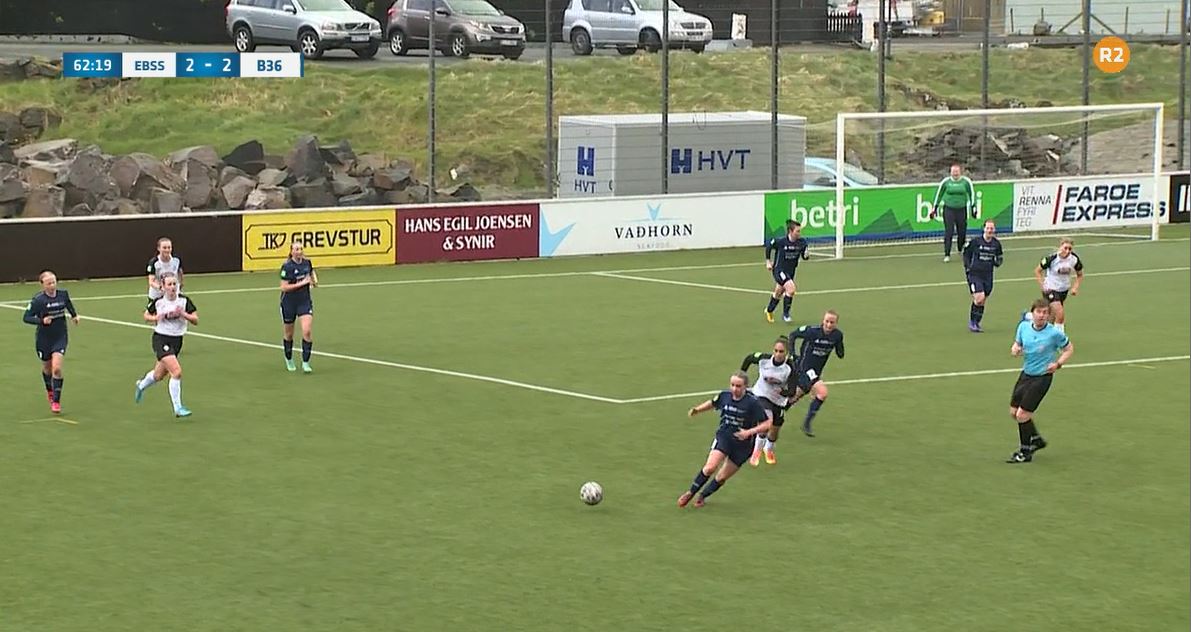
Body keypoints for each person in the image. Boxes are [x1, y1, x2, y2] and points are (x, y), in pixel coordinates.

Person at [678, 371, 773, 508]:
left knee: (722, 477)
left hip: (743, 446)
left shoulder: (752, 403)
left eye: (738, 386)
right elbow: (713, 403)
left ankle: (702, 496)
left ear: (746, 387)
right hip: (724, 437)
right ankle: (691, 492)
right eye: (732, 385)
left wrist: (749, 432)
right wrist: (697, 410)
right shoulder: (725, 396)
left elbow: (767, 424)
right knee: (710, 468)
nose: (734, 389)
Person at [1006, 298, 1074, 463]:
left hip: (1042, 378)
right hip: (1026, 375)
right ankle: (1036, 440)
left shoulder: (1054, 333)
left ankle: (1025, 452)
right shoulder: (1023, 327)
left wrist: (1058, 364)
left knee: (1022, 415)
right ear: (1033, 313)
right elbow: (1017, 345)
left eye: (1045, 313)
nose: (1041, 316)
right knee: (1014, 412)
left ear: (1048, 316)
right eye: (1038, 312)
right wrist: (1015, 349)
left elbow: (1069, 349)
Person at [134, 273, 198, 418]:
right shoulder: (158, 302)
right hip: (161, 339)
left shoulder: (184, 301)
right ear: (163, 287)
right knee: (176, 372)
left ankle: (141, 385)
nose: (172, 287)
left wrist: (183, 314)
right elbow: (146, 316)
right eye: (169, 284)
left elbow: (195, 319)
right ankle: (178, 408)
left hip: (177, 340)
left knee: (158, 375)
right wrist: (156, 317)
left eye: (174, 284)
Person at [21, 270, 79, 414]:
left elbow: (68, 304)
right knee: (47, 368)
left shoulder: (63, 294)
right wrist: (42, 321)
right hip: (44, 338)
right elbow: (26, 317)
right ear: (42, 285)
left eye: (54, 282)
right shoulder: (38, 300)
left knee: (57, 368)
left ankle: (56, 402)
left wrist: (74, 316)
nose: (52, 285)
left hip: (60, 336)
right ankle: (50, 391)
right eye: (49, 283)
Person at [787, 310, 846, 437]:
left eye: (832, 322)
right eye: (827, 321)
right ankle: (807, 423)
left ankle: (770, 416)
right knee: (822, 392)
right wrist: (792, 354)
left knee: (793, 398)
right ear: (822, 321)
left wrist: (840, 349)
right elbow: (793, 335)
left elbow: (840, 352)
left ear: (836, 323)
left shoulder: (837, 335)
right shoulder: (812, 331)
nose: (829, 325)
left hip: (816, 371)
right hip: (804, 368)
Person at [739, 337, 793, 466]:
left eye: (781, 351)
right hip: (761, 394)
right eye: (776, 350)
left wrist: (783, 392)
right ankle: (756, 451)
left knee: (774, 431)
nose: (778, 354)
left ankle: (768, 449)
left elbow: (792, 390)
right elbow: (749, 358)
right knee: (766, 423)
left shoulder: (790, 367)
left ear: (786, 353)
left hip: (778, 401)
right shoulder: (764, 359)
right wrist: (742, 377)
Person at [279, 241, 318, 373]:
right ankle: (289, 358)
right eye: (296, 249)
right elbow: (284, 287)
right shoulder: (287, 266)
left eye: (301, 249)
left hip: (304, 302)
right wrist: (302, 283)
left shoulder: (307, 263)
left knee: (307, 331)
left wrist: (314, 281)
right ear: (291, 252)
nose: (299, 251)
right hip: (289, 303)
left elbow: (311, 272)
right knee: (289, 334)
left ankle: (306, 362)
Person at [1033, 237, 1083, 333]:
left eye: (1070, 249)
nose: (1067, 251)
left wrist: (1075, 288)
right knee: (1060, 314)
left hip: (1063, 290)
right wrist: (1042, 285)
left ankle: (1034, 324)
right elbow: (1037, 271)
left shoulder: (1074, 259)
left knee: (1051, 317)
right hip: (1051, 289)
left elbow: (1080, 274)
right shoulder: (1051, 259)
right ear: (1060, 247)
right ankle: (1060, 338)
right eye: (1065, 248)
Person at [764, 219, 810, 323]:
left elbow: (804, 257)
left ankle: (769, 310)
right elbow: (769, 246)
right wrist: (768, 261)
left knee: (779, 292)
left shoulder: (802, 242)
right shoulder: (781, 241)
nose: (799, 233)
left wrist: (806, 255)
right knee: (791, 289)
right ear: (790, 231)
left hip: (791, 271)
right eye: (797, 231)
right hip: (779, 270)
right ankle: (786, 315)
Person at [962, 219, 1004, 333]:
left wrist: (997, 262)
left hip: (988, 275)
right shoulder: (975, 242)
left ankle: (977, 322)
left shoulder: (996, 244)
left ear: (994, 230)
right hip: (975, 274)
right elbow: (966, 253)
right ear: (984, 229)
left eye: (992, 228)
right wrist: (968, 267)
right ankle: (972, 322)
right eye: (988, 228)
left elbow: (999, 257)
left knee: (983, 300)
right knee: (979, 297)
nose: (990, 230)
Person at [930, 164, 976, 263]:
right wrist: (934, 208)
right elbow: (939, 195)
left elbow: (971, 194)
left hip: (962, 210)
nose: (955, 173)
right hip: (949, 210)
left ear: (960, 172)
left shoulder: (966, 182)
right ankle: (947, 254)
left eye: (957, 171)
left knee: (962, 231)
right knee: (949, 231)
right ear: (950, 172)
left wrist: (973, 207)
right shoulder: (946, 182)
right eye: (953, 171)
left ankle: (960, 248)